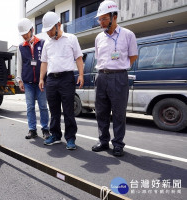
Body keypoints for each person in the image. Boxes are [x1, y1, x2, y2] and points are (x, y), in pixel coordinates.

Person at [91, 0, 138, 157]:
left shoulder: (128, 35)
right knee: (101, 111)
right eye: (100, 19)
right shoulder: (99, 37)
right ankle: (103, 141)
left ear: (114, 16)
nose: (101, 22)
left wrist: (120, 67)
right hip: (101, 76)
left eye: (104, 18)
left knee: (118, 112)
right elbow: (99, 57)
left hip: (119, 77)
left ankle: (118, 144)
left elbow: (133, 56)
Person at [39, 11, 84, 150]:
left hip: (67, 78)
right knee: (54, 110)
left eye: (50, 29)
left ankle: (70, 138)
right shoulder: (47, 43)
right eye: (46, 30)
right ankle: (55, 135)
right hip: (51, 79)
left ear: (58, 25)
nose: (48, 33)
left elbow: (78, 58)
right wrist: (41, 78)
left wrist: (81, 75)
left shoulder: (71, 38)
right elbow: (44, 62)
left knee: (68, 110)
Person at [16, 18, 50, 140]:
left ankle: (45, 129)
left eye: (26, 33)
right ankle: (32, 130)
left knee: (43, 106)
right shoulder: (20, 47)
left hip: (41, 82)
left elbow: (47, 62)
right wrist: (19, 80)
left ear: (32, 30)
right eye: (22, 34)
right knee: (30, 107)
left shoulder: (43, 43)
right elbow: (19, 64)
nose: (24, 36)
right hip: (28, 82)